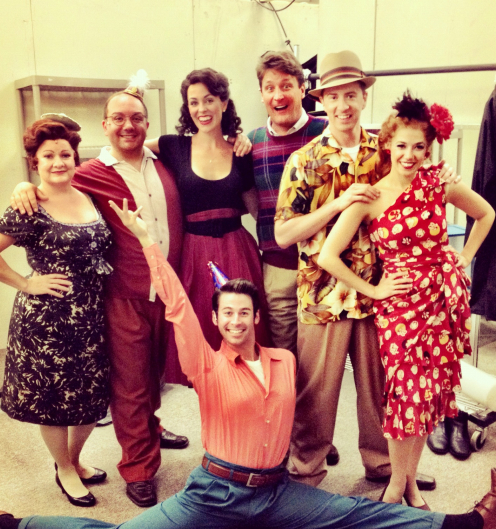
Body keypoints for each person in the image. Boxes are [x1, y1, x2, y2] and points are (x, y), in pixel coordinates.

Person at [0, 198, 496, 529]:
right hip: (214, 493)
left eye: (243, 313)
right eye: (226, 314)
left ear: (256, 317)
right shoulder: (205, 363)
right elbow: (177, 303)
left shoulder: (283, 361)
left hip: (275, 492)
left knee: (356, 517)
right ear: (216, 320)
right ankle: (12, 526)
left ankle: (470, 524)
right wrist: (145, 240)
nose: (234, 321)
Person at [9, 73, 189, 509]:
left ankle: (151, 429)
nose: (128, 125)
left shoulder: (166, 163)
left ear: (147, 123)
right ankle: (139, 468)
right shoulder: (89, 173)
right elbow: (51, 183)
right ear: (104, 125)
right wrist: (23, 186)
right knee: (130, 384)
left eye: (137, 118)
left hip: (169, 290)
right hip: (124, 295)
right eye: (118, 118)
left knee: (155, 375)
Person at [275, 50, 453, 488]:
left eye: (351, 95)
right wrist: (337, 205)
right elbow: (283, 234)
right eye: (334, 96)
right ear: (322, 101)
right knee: (316, 393)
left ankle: (387, 468)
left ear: (362, 97)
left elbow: (418, 184)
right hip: (323, 293)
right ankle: (306, 471)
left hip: (383, 291)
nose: (343, 105)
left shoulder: (388, 151)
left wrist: (444, 176)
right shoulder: (304, 161)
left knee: (381, 389)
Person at [318, 92, 495, 508]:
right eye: (401, 145)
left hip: (440, 301)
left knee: (428, 394)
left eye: (418, 147)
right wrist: (374, 290)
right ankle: (397, 485)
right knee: (404, 395)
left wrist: (463, 258)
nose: (409, 155)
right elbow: (328, 255)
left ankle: (407, 484)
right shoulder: (371, 196)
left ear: (428, 148)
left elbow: (486, 214)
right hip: (399, 308)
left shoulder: (439, 182)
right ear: (387, 144)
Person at [0, 117, 111, 507]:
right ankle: (63, 468)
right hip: (47, 323)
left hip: (91, 316)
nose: (58, 162)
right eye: (48, 156)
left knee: (90, 398)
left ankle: (75, 460)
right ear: (35, 162)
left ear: (75, 158)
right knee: (54, 401)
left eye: (65, 154)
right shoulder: (29, 205)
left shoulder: (88, 196)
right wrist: (26, 283)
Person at [144, 68, 270, 386]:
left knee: (242, 331)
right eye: (194, 102)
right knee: (201, 334)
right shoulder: (173, 146)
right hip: (195, 254)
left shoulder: (240, 151)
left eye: (209, 99)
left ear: (224, 103)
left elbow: (256, 210)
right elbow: (127, 148)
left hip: (237, 250)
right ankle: (213, 410)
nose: (202, 109)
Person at [248, 50, 340, 466]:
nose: (278, 95)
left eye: (287, 85)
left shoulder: (328, 131)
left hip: (327, 271)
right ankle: (290, 437)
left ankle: (314, 437)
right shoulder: (251, 143)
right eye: (270, 87)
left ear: (303, 88)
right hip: (279, 268)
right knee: (284, 360)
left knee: (319, 366)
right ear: (261, 93)